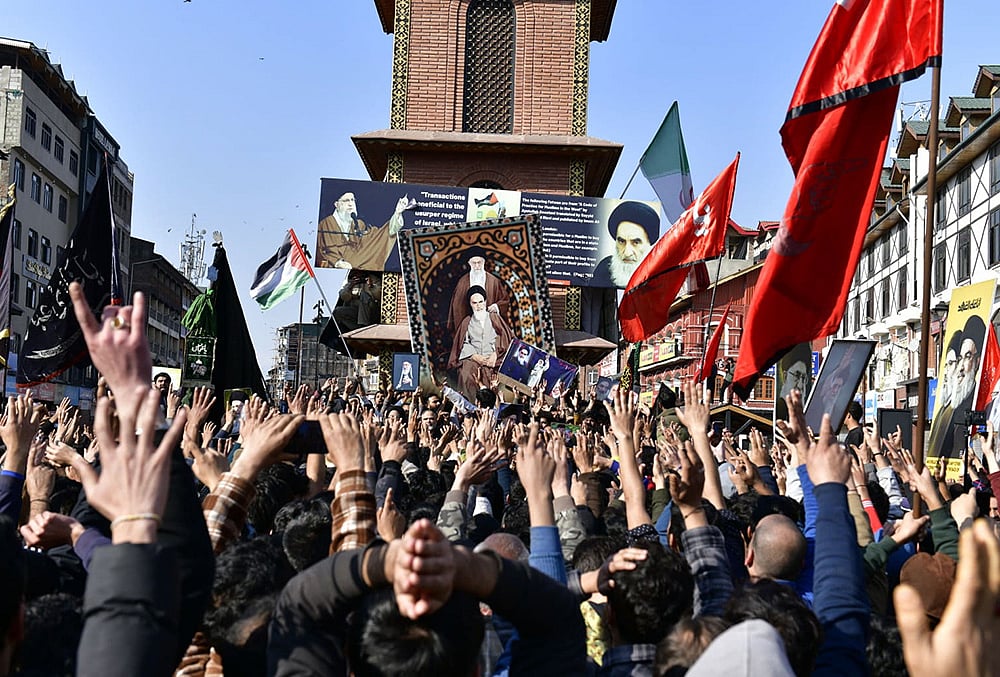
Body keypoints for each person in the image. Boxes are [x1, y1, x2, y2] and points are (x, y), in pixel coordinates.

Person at [928, 316, 986, 464]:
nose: (960, 368)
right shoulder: (947, 408)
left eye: (968, 357)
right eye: (960, 358)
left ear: (978, 361)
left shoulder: (976, 403)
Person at [448, 286, 514, 401]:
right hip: (475, 360)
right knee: (466, 373)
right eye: (475, 303)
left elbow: (505, 338)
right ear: (470, 304)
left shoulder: (495, 318)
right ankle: (473, 406)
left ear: (485, 302)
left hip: (495, 359)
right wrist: (474, 356)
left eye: (481, 302)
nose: (478, 306)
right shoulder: (467, 321)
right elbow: (462, 343)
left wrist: (496, 354)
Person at [316, 191, 408, 270]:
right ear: (336, 204)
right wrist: (338, 262)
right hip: (337, 266)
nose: (351, 204)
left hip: (357, 264)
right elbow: (326, 251)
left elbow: (376, 237)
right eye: (346, 200)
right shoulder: (327, 223)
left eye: (352, 200)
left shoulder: (359, 224)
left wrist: (397, 213)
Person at [590, 201, 659, 287]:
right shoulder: (604, 268)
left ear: (648, 243)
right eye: (621, 241)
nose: (627, 253)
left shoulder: (658, 275)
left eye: (636, 242)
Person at [446, 246, 510, 334]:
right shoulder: (462, 282)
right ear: (469, 263)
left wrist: (496, 307)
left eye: (479, 262)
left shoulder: (493, 281)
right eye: (474, 263)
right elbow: (457, 307)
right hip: (470, 327)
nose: (477, 266)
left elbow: (505, 300)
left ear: (484, 262)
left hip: (491, 325)